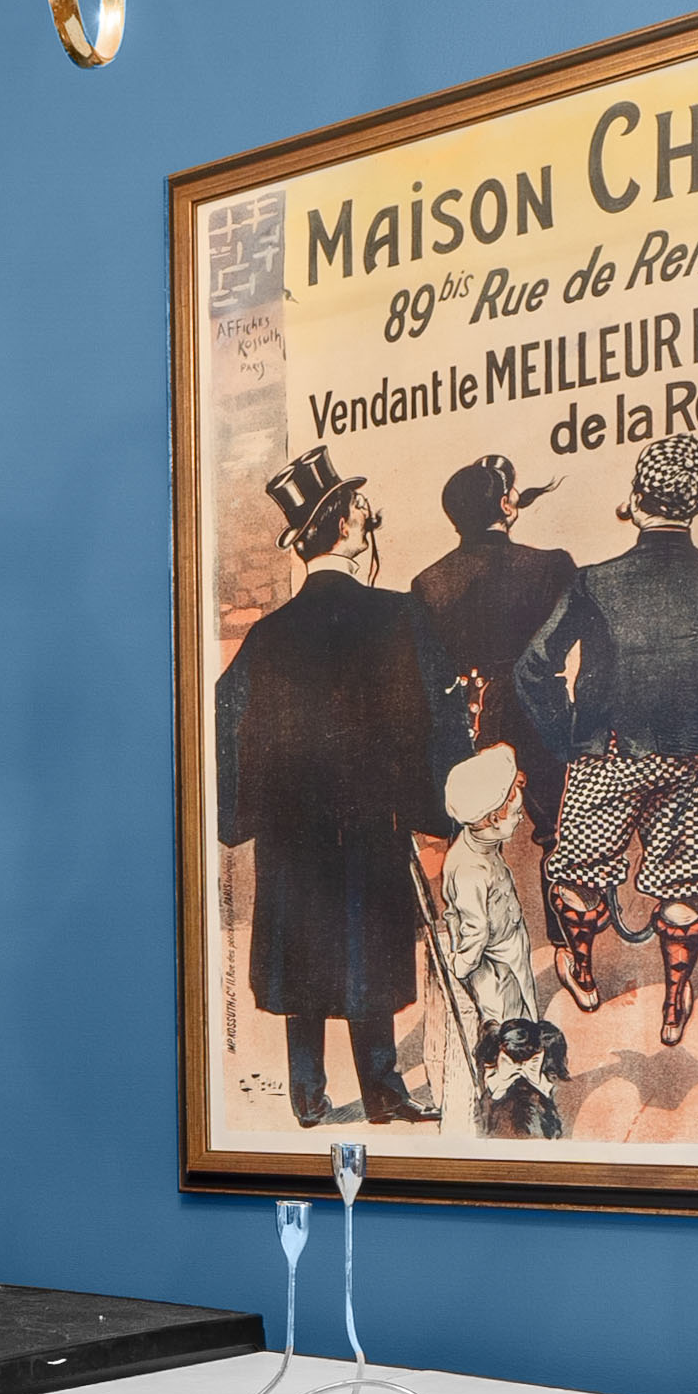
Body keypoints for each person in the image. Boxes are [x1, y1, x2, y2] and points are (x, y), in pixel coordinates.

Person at [215, 444, 468, 1127]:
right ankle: (381, 1088)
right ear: (348, 529)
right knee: (366, 946)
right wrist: (434, 813)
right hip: (369, 821)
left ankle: (305, 1093)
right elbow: (433, 716)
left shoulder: (265, 636)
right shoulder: (397, 615)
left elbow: (224, 715)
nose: (367, 516)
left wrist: (240, 816)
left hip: (291, 830)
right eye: (360, 508)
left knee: (303, 950)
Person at [519, 431, 698, 1044]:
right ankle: (677, 997)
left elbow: (533, 666)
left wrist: (565, 738)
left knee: (578, 872)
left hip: (605, 754)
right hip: (691, 754)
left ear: (637, 498)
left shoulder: (594, 580)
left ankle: (581, 967)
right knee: (684, 878)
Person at [411, 452, 576, 843]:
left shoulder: (427, 583)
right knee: (562, 839)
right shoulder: (551, 566)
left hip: (471, 721)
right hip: (540, 715)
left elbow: (428, 671)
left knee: (472, 839)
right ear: (505, 506)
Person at [429, 745, 561, 1138]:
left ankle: (528, 1096)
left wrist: (508, 773)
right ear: (490, 818)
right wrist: (461, 966)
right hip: (493, 971)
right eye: (515, 811)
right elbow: (473, 932)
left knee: (523, 1020)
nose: (521, 817)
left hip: (510, 956)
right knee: (508, 1034)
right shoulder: (468, 868)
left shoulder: (483, 846)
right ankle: (513, 1109)